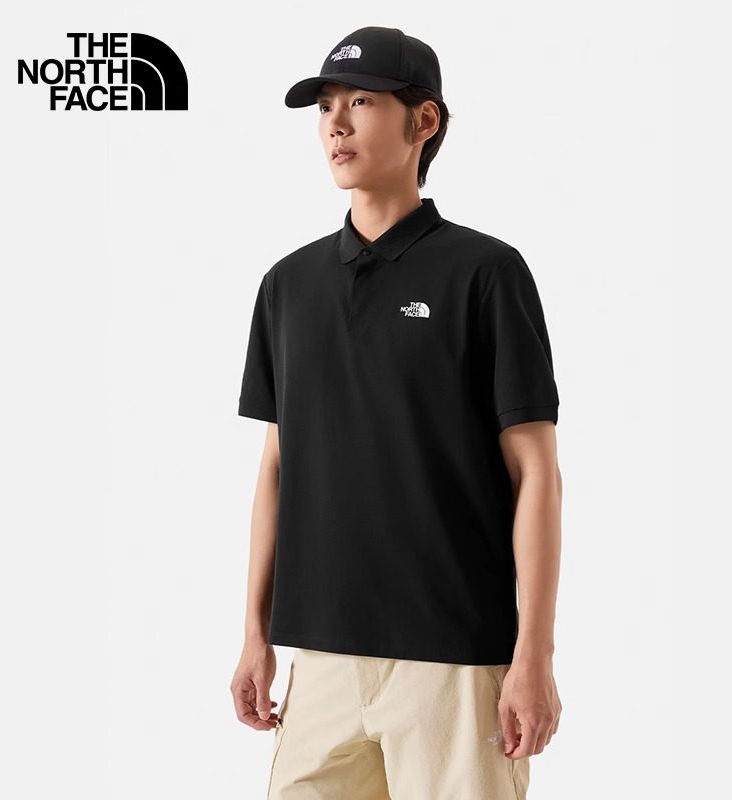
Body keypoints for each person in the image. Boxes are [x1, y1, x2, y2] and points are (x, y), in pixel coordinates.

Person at [230, 25, 563, 800]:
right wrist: (254, 633)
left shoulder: (486, 273)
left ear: (424, 122)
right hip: (321, 661)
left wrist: (534, 654)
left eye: (361, 102)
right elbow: (277, 469)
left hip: (455, 662)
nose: (336, 124)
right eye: (325, 106)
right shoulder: (288, 287)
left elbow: (537, 474)